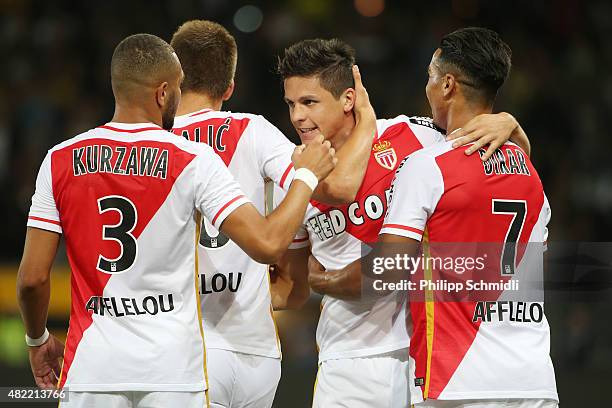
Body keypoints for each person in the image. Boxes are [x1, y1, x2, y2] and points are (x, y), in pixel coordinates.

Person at [16, 33, 335, 408]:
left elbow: (33, 277)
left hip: (92, 364)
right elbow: (270, 241)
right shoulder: (194, 158)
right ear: (164, 93)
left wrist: (37, 341)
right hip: (175, 368)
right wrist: (307, 176)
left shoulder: (59, 158)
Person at [271, 38, 532, 408]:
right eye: (291, 104)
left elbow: (502, 176)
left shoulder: (415, 136)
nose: (297, 116)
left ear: (348, 99)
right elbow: (293, 285)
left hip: (426, 352)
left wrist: (508, 124)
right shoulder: (292, 178)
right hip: (348, 362)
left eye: (309, 102)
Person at [168, 20, 377, 408]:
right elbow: (336, 187)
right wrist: (367, 121)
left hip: (182, 347)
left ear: (171, 83)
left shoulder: (153, 147)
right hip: (256, 354)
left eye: (307, 103)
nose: (298, 116)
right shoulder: (254, 132)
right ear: (229, 87)